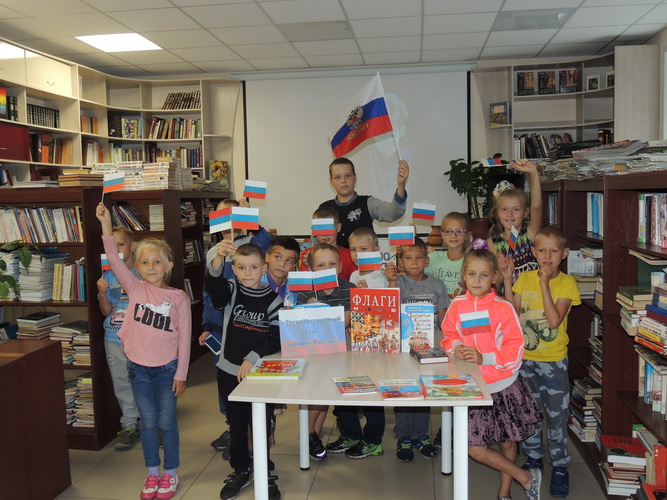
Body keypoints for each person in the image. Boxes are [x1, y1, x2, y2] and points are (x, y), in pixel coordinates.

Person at [95, 203, 191, 500]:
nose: (151, 267)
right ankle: (152, 473)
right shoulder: (134, 288)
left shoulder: (178, 298)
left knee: (166, 422)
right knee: (147, 422)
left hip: (167, 370)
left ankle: (170, 472)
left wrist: (181, 374)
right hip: (137, 368)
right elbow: (113, 257)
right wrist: (106, 225)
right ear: (136, 268)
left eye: (157, 262)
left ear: (169, 266)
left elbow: (185, 338)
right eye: (145, 262)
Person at [440, 240, 542, 500]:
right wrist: (457, 347)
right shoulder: (457, 305)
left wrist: (484, 357)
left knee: (508, 442)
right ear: (464, 275)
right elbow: (449, 334)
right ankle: (525, 477)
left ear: (494, 277)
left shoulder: (503, 308)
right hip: (472, 385)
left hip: (503, 384)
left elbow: (515, 349)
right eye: (472, 274)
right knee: (475, 449)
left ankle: (504, 492)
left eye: (484, 275)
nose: (477, 280)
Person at [504, 226, 581, 498]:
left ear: (565, 253)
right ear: (534, 253)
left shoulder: (567, 283)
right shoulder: (524, 278)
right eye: (542, 250)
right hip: (525, 361)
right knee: (530, 414)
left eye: (554, 251)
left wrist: (545, 284)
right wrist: (507, 280)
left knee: (557, 417)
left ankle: (559, 465)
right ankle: (533, 457)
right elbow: (512, 314)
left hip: (553, 362)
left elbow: (554, 321)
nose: (547, 256)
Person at [205, 240, 283, 500]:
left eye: (253, 267)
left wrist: (253, 357)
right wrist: (218, 259)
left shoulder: (273, 300)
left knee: (261, 424)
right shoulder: (231, 289)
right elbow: (215, 292)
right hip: (229, 371)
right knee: (237, 424)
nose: (247, 273)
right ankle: (241, 469)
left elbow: (276, 337)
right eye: (241, 267)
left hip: (261, 373)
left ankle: (262, 468)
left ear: (264, 268)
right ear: (234, 270)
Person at [385, 237, 448, 462]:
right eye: (408, 258)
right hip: (403, 348)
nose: (414, 262)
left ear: (427, 261)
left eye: (419, 257)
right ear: (401, 262)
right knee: (404, 390)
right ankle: (403, 437)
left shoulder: (438, 285)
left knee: (423, 391)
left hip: (429, 348)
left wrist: (442, 346)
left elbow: (443, 321)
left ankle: (421, 436)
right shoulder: (399, 281)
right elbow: (390, 307)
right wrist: (392, 280)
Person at [294, 243, 353, 461]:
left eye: (332, 264)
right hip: (314, 353)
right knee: (315, 394)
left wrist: (320, 313)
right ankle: (308, 434)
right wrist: (310, 310)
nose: (327, 269)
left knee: (325, 395)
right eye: (320, 265)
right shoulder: (305, 291)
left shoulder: (349, 288)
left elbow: (345, 321)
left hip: (341, 353)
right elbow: (300, 325)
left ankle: (313, 436)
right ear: (311, 269)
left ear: (340, 267)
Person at [96, 226, 141, 451]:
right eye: (111, 247)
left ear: (133, 246)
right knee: (122, 381)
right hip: (114, 337)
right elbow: (106, 311)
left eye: (120, 245)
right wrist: (103, 294)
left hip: (141, 338)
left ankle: (153, 423)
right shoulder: (107, 276)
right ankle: (129, 424)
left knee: (145, 380)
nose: (115, 250)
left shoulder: (143, 272)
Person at [320, 157, 409, 248]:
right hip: (334, 257)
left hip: (364, 257)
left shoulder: (367, 203)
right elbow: (318, 242)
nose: (343, 181)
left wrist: (401, 185)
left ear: (355, 178)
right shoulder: (324, 209)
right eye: (337, 177)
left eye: (348, 176)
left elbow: (393, 213)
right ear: (331, 181)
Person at [487, 159, 543, 283]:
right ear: (497, 212)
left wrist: (533, 173)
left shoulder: (530, 235)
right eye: (504, 209)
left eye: (516, 209)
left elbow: (536, 207)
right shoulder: (492, 243)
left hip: (531, 294)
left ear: (526, 212)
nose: (510, 214)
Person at [209, 198, 272, 280]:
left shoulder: (252, 243)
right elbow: (209, 283)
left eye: (232, 214)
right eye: (222, 214)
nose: (228, 219)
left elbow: (269, 244)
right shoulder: (212, 252)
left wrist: (251, 220)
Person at [299, 205, 356, 280]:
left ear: (338, 228)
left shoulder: (349, 255)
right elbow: (304, 282)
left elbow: (355, 280)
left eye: (328, 228)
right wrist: (309, 267)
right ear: (314, 230)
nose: (325, 234)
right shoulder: (307, 254)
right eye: (320, 229)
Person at [426, 212, 471, 301]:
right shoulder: (432, 258)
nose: (453, 235)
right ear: (442, 234)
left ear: (467, 235)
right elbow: (414, 273)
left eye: (459, 231)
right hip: (439, 308)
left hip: (463, 308)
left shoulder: (473, 261)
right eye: (447, 231)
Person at [262, 236, 300, 301]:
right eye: (278, 257)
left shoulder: (295, 291)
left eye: (289, 261)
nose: (282, 264)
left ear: (294, 265)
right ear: (267, 257)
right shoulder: (254, 284)